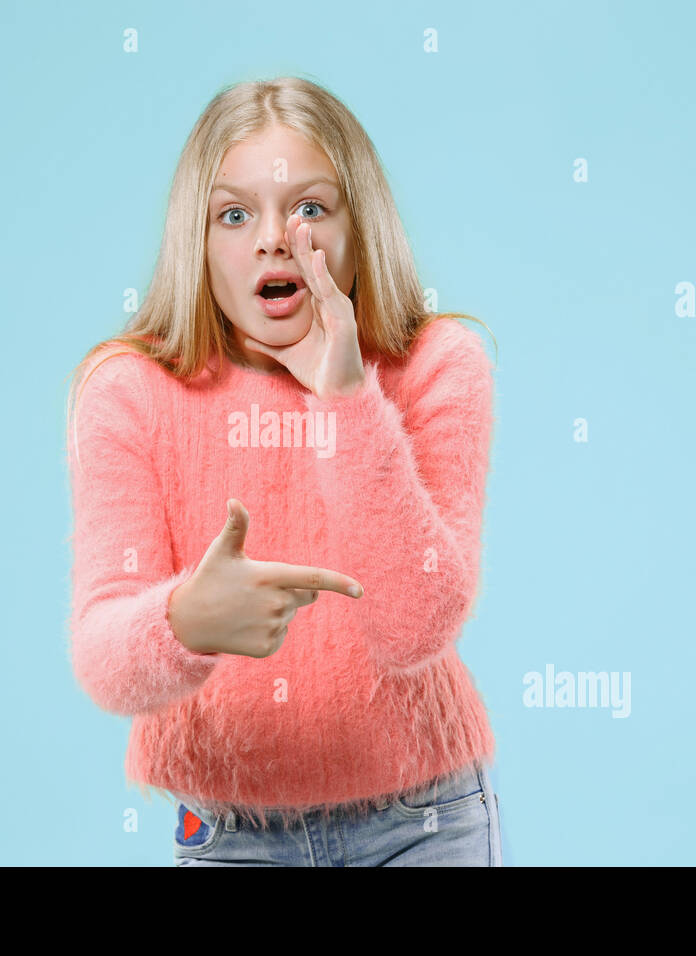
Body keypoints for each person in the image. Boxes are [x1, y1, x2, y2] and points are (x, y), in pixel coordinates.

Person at [64, 76, 503, 866]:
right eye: (235, 214)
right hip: (229, 838)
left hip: (423, 823)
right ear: (196, 242)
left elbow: (415, 627)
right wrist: (184, 620)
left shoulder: (438, 365)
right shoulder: (129, 392)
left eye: (309, 208)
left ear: (357, 226)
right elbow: (102, 657)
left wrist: (342, 396)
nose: (275, 239)